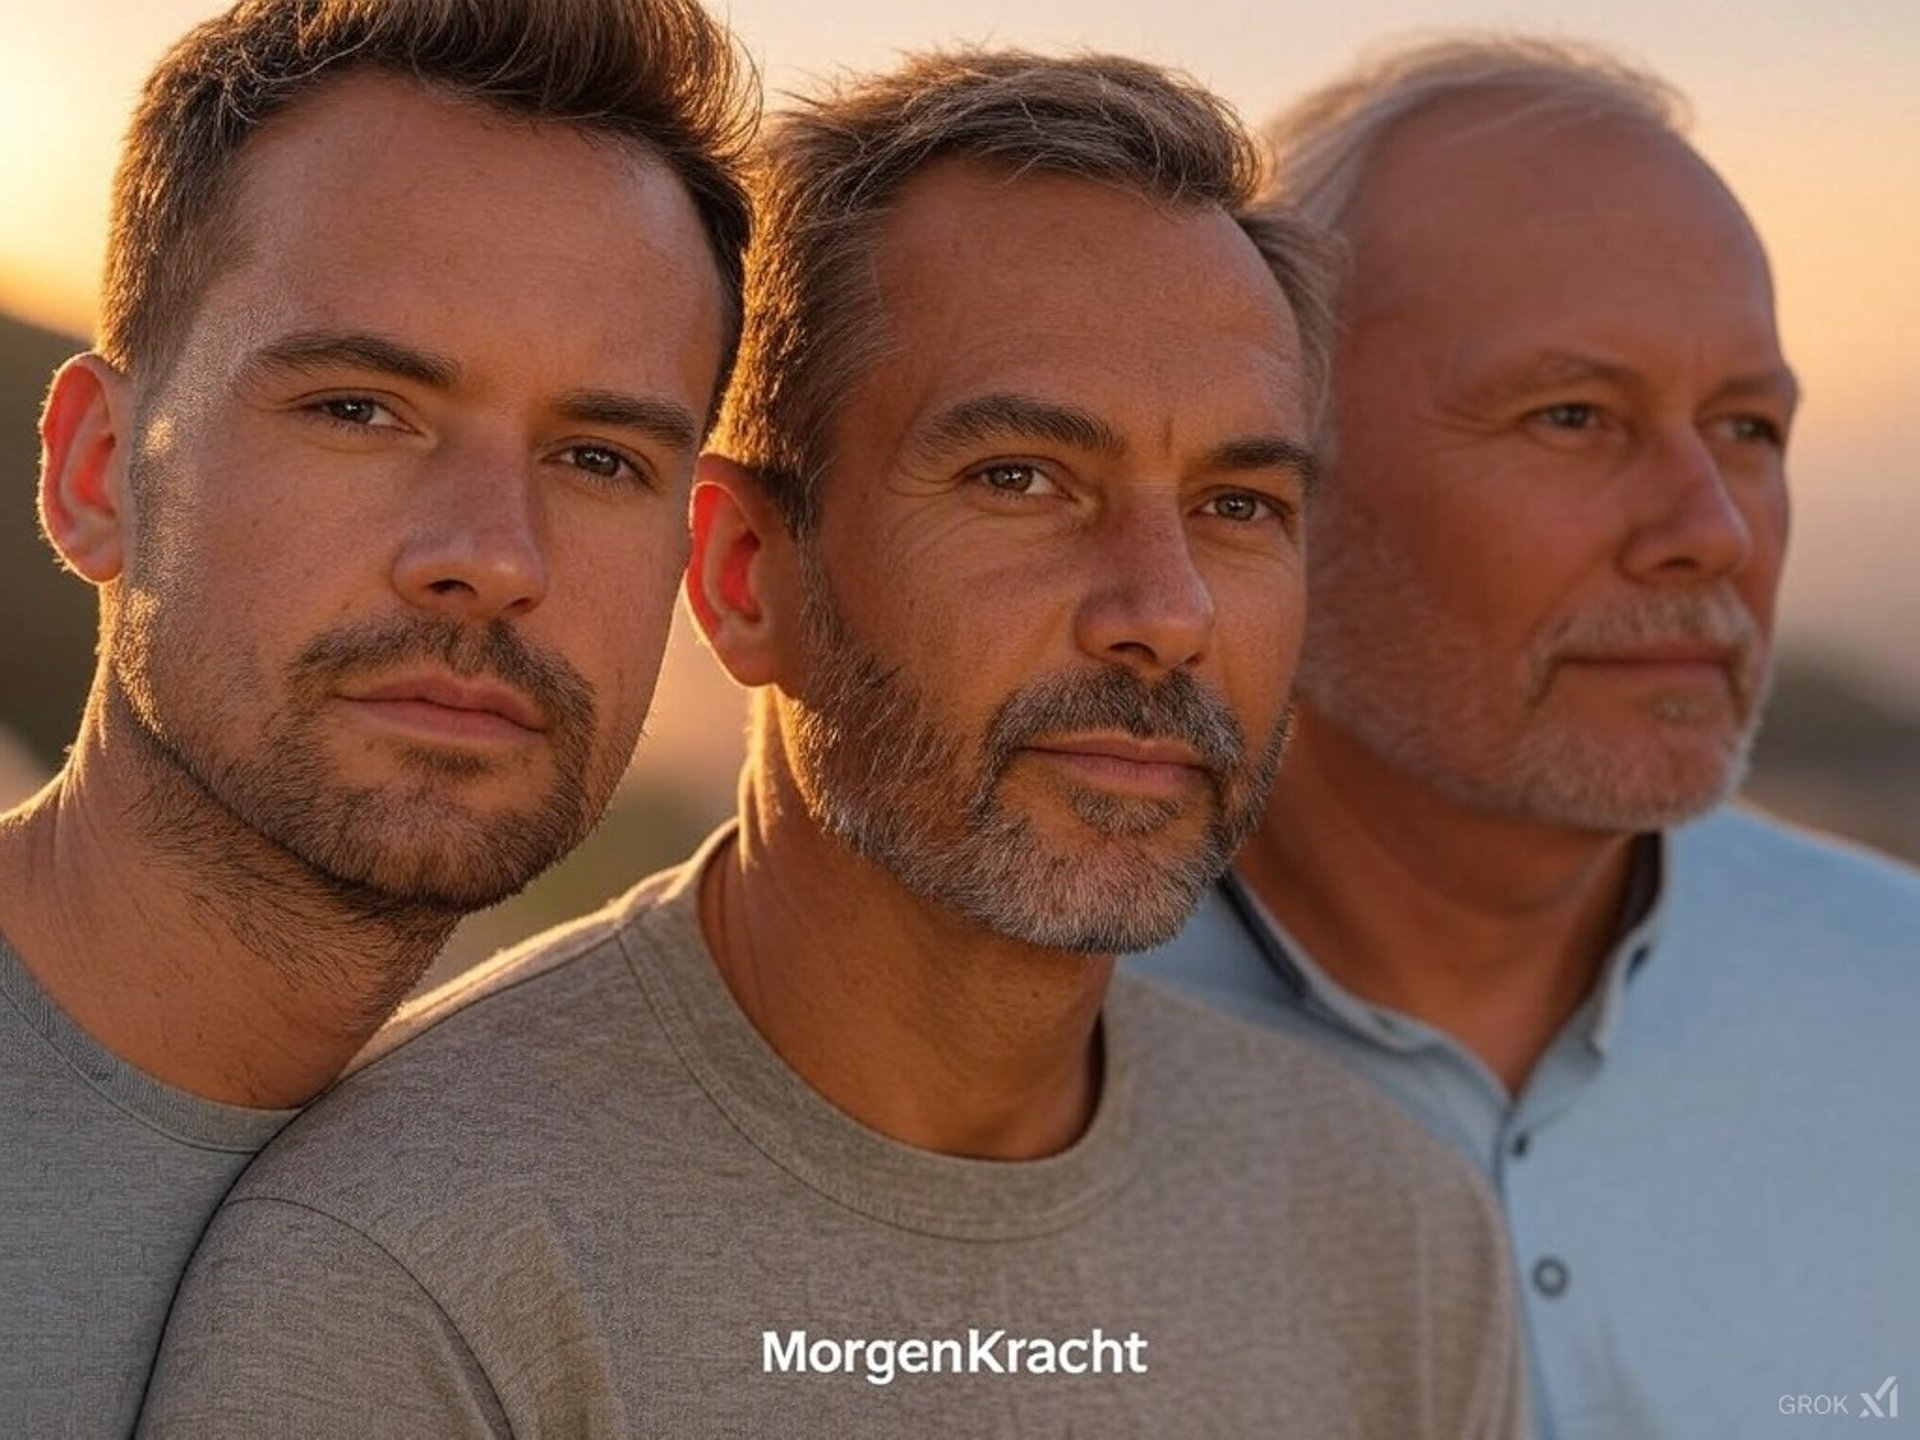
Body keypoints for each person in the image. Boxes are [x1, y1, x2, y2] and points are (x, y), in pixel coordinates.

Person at [136, 50, 1525, 1438]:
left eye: (1238, 505)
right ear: (746, 572)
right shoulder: (405, 1276)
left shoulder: (1392, 1230)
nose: (1166, 613)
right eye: (1022, 480)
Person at [1132, 35, 1920, 1440]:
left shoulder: (1897, 1004)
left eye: (1748, 427)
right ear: (1277, 473)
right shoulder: (1004, 1056)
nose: (1712, 533)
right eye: (1573, 416)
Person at [0, 0, 754, 1432]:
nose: (495, 554)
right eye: (359, 410)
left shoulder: (625, 1227)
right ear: (100, 472)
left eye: (598, 456)